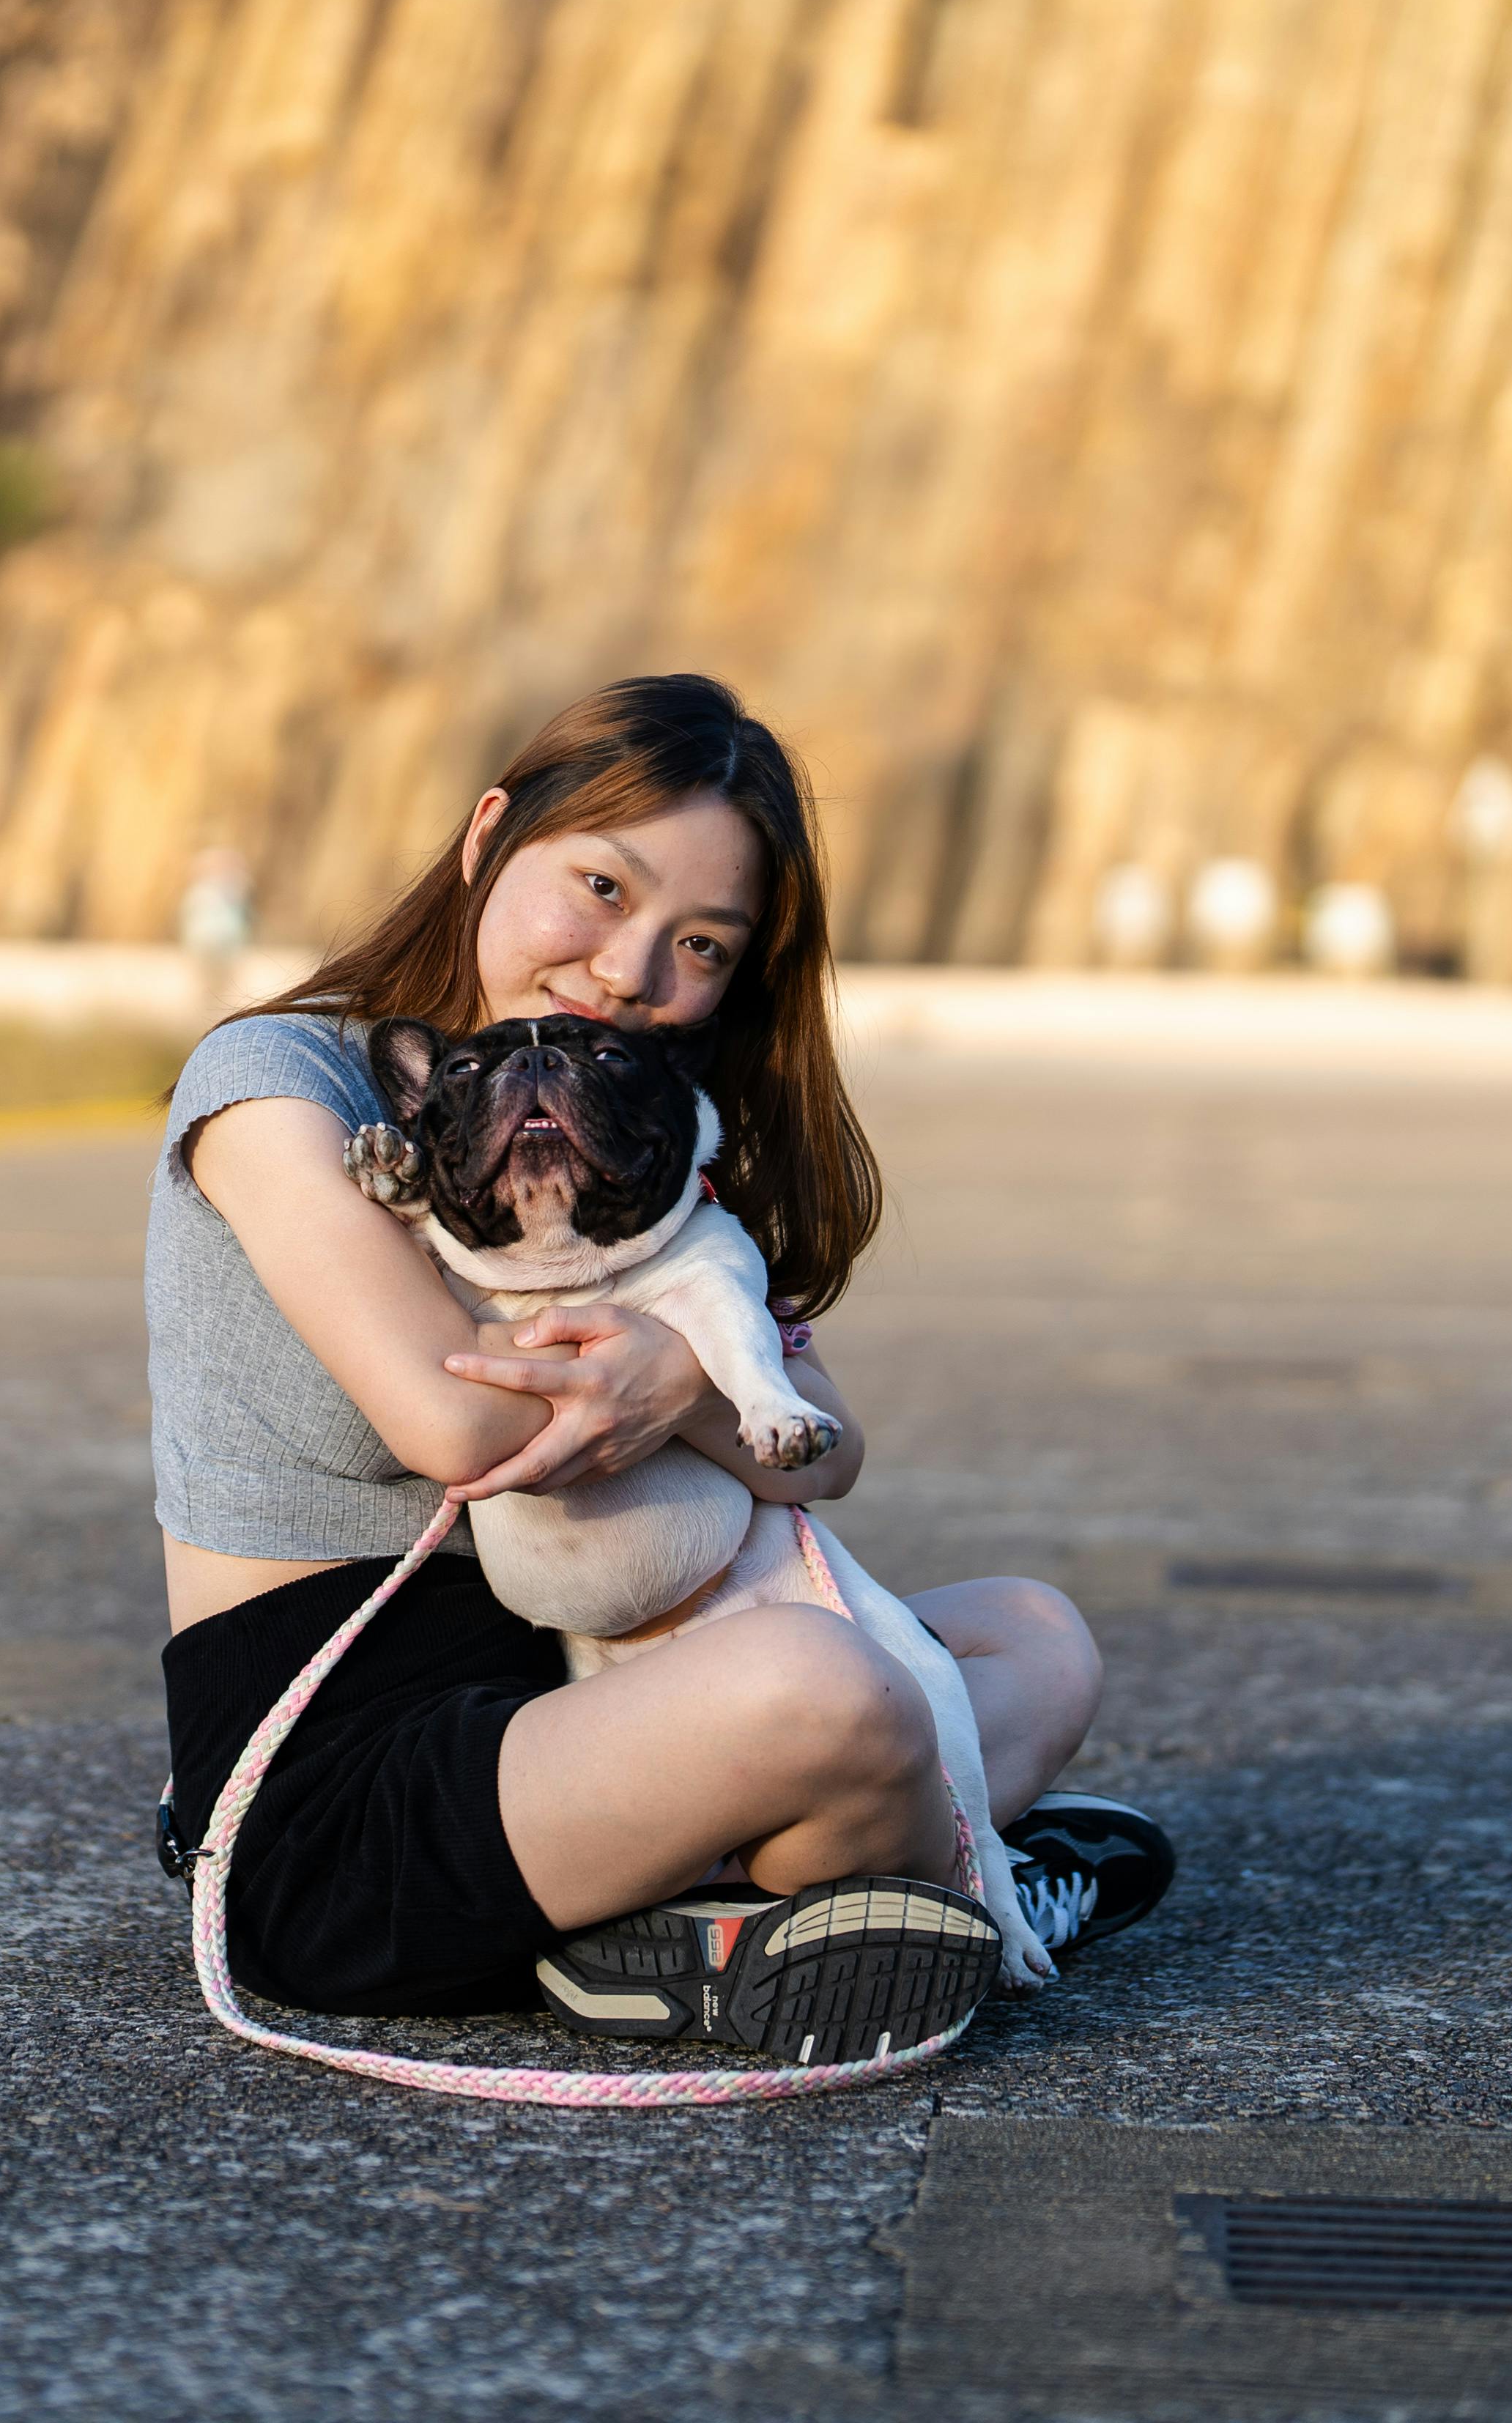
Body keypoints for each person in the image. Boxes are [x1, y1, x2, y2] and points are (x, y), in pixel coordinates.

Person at [152, 673, 1173, 2053]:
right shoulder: (281, 1082)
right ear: (486, 836)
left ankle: (722, 1912)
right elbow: (460, 1426)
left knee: (1034, 1637)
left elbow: (827, 1453)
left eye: (701, 944)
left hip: (587, 1693)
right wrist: (671, 1367)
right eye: (602, 887)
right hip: (354, 1790)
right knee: (838, 1691)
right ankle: (918, 1884)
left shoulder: (623, 1125)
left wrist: (690, 1378)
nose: (629, 972)